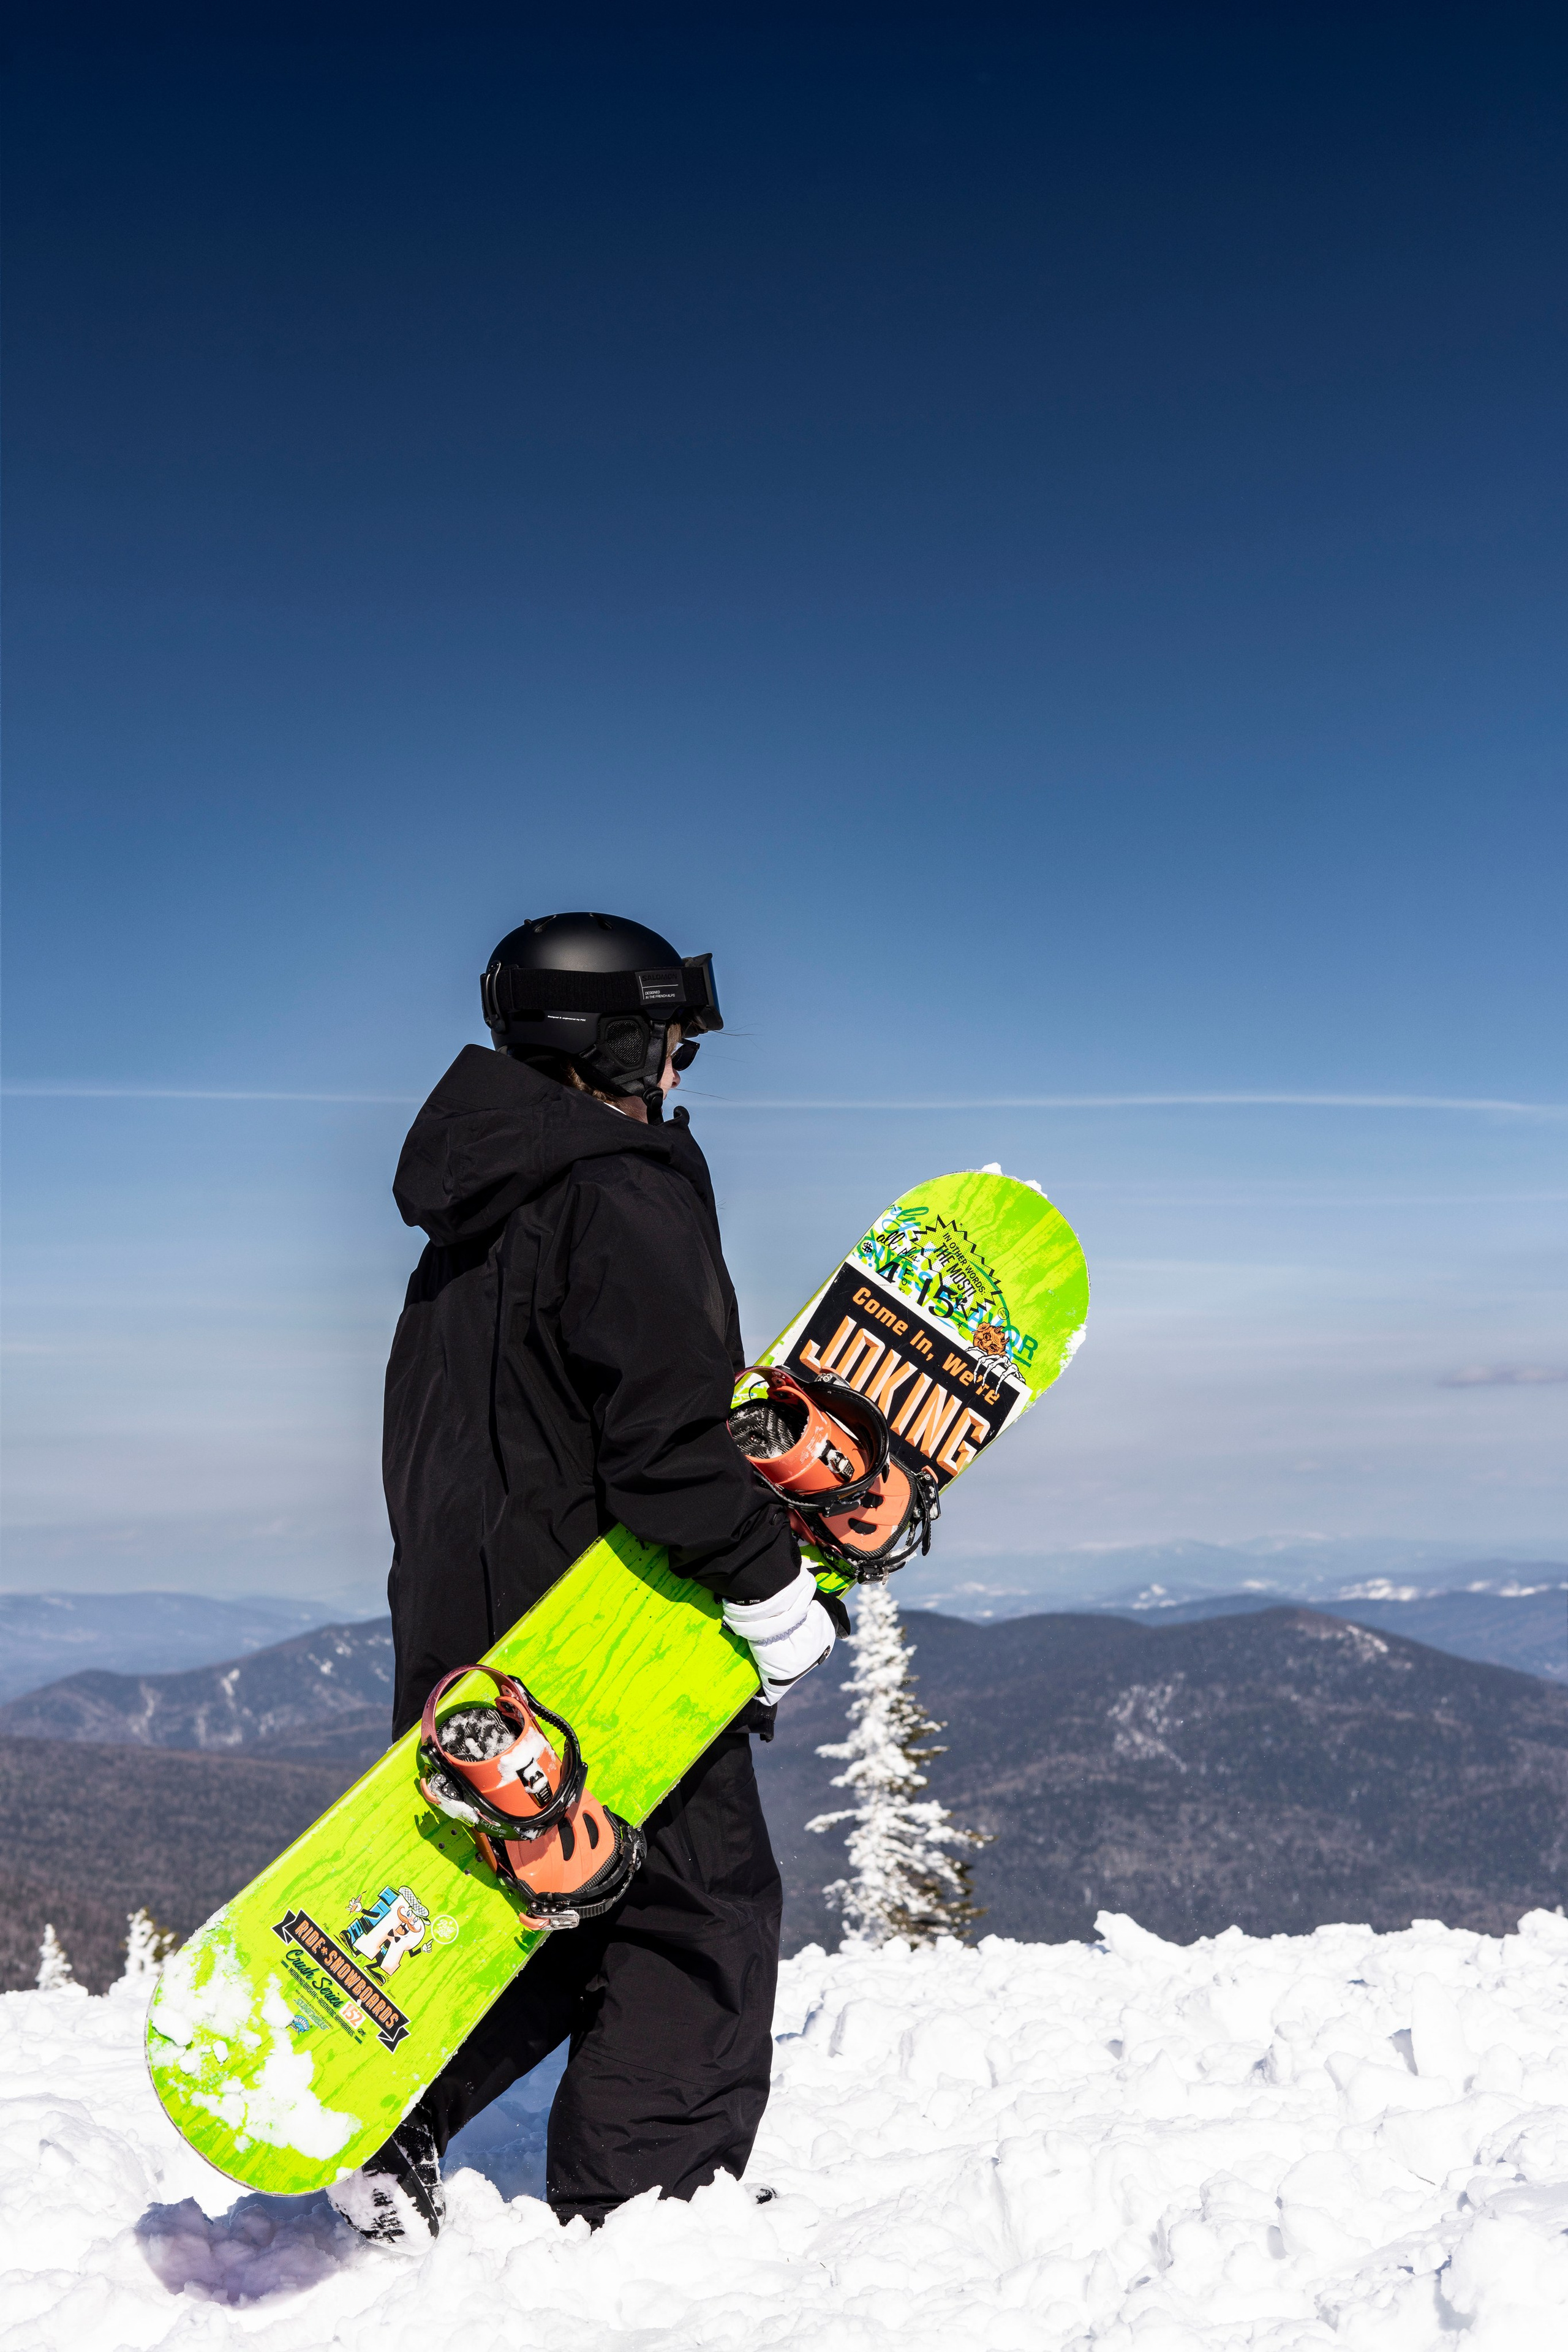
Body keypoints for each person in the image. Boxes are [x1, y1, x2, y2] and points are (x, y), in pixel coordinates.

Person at [328, 912, 842, 2245]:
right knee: (697, 1904)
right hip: (600, 1629)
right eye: (666, 1039)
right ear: (605, 1040)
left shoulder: (474, 1209)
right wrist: (767, 1588)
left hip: (467, 1616)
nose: (677, 1067)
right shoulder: (617, 1192)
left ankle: (400, 2122)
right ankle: (650, 2206)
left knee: (546, 1889)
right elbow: (667, 1441)